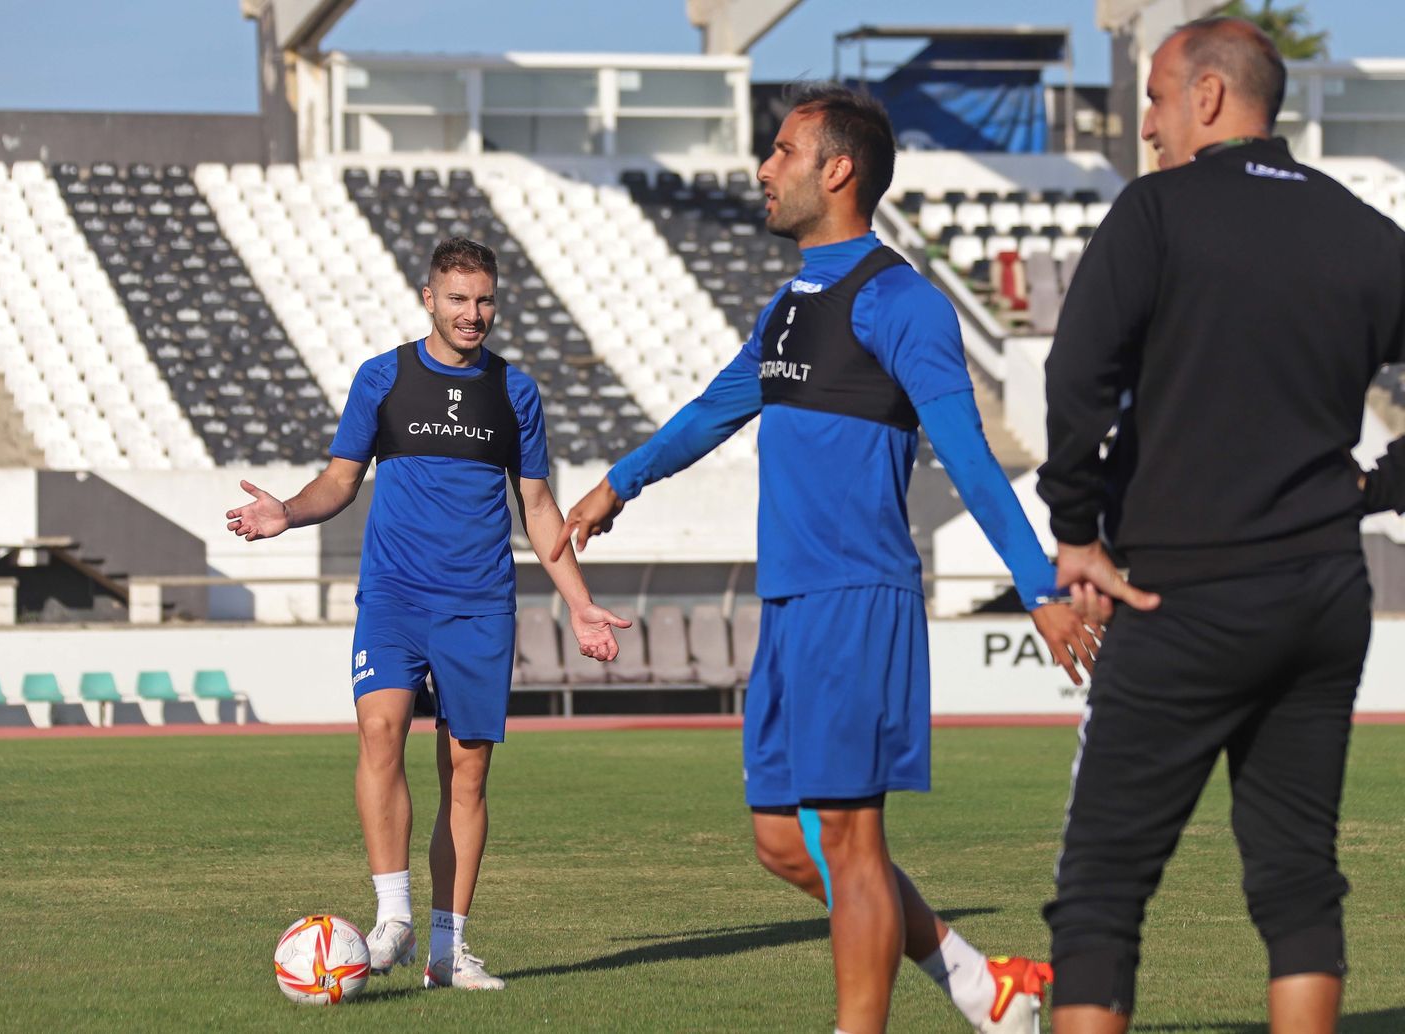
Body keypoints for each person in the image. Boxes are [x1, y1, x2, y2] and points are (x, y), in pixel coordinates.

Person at [555, 83, 1100, 1034]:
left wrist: (1041, 587)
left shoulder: (902, 303)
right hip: (790, 604)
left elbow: (972, 461)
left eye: (782, 151)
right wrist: (618, 484)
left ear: (837, 170)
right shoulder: (789, 305)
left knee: (849, 840)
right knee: (782, 843)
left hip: (857, 598)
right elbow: (713, 410)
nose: (763, 168)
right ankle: (983, 985)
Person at [1037, 18, 1405, 1034]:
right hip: (1324, 592)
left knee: (1101, 886)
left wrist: (1076, 530)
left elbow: (1075, 376)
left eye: (1157, 99)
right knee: (1298, 878)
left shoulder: (1155, 211)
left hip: (1183, 593)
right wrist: (1379, 486)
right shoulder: (1365, 232)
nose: (1147, 126)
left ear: (1207, 96)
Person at [228, 237, 630, 992]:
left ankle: (448, 951)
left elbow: (537, 505)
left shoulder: (516, 392)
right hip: (393, 596)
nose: (472, 313)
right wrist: (288, 511)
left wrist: (580, 605)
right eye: (457, 299)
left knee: (466, 774)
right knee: (380, 731)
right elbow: (340, 481)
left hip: (479, 606)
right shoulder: (381, 378)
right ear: (429, 300)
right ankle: (394, 918)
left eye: (484, 300)